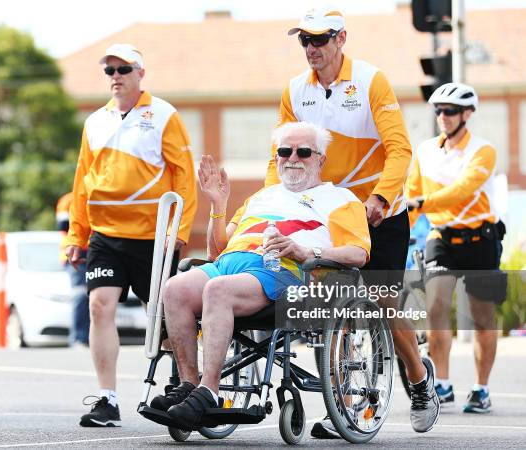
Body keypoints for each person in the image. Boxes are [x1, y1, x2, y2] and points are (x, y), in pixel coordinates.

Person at [263, 8, 439, 435]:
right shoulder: (294, 90)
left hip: (378, 213)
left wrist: (380, 197)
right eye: (304, 40)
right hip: (327, 212)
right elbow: (282, 155)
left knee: (381, 301)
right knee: (334, 305)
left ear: (342, 39)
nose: (311, 48)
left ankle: (418, 378)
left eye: (319, 39)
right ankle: (343, 402)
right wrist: (270, 204)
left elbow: (400, 149)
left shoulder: (370, 80)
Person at [151, 122, 370, 429]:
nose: (292, 157)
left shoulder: (340, 199)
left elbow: (358, 254)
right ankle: (189, 386)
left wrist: (307, 252)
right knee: (174, 288)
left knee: (217, 291)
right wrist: (218, 205)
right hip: (230, 264)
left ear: (320, 158)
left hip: (284, 269)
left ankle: (209, 392)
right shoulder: (260, 197)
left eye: (303, 151)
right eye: (284, 150)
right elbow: (217, 251)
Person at [64, 43, 197, 427]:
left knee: (163, 318)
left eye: (124, 69)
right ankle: (107, 399)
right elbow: (81, 182)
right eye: (110, 70)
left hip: (153, 236)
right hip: (106, 235)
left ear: (141, 73)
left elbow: (184, 177)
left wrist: (179, 230)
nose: (116, 76)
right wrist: (77, 235)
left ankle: (182, 384)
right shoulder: (94, 122)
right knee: (98, 306)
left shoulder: (164, 115)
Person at [406, 82, 506, 414]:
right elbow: (412, 200)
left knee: (481, 319)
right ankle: (443, 385)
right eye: (438, 111)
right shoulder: (425, 151)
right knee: (435, 306)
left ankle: (481, 389)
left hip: (481, 238)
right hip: (442, 238)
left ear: (467, 114)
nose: (442, 117)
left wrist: (423, 201)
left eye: (450, 111)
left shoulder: (483, 150)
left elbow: (464, 190)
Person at [56, 192, 89, 348]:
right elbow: (63, 224)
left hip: (97, 249)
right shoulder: (68, 199)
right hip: (75, 250)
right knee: (80, 294)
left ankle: (89, 337)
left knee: (96, 296)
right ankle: (79, 338)